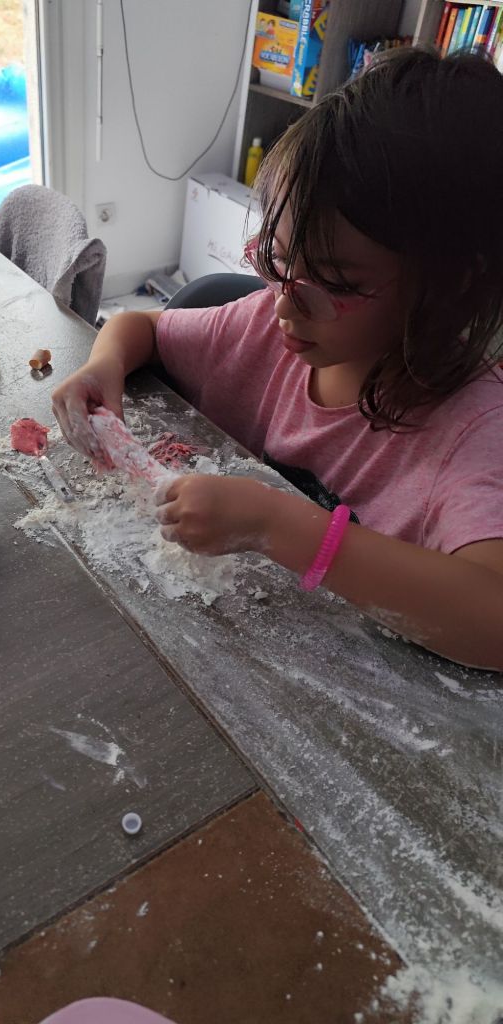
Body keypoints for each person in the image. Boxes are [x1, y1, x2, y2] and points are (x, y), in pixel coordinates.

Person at [52, 48, 503, 671]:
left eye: (333, 284)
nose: (286, 304)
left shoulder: (476, 432)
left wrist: (277, 526)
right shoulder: (264, 326)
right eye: (278, 260)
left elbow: (493, 621)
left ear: (450, 286)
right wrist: (101, 365)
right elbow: (140, 326)